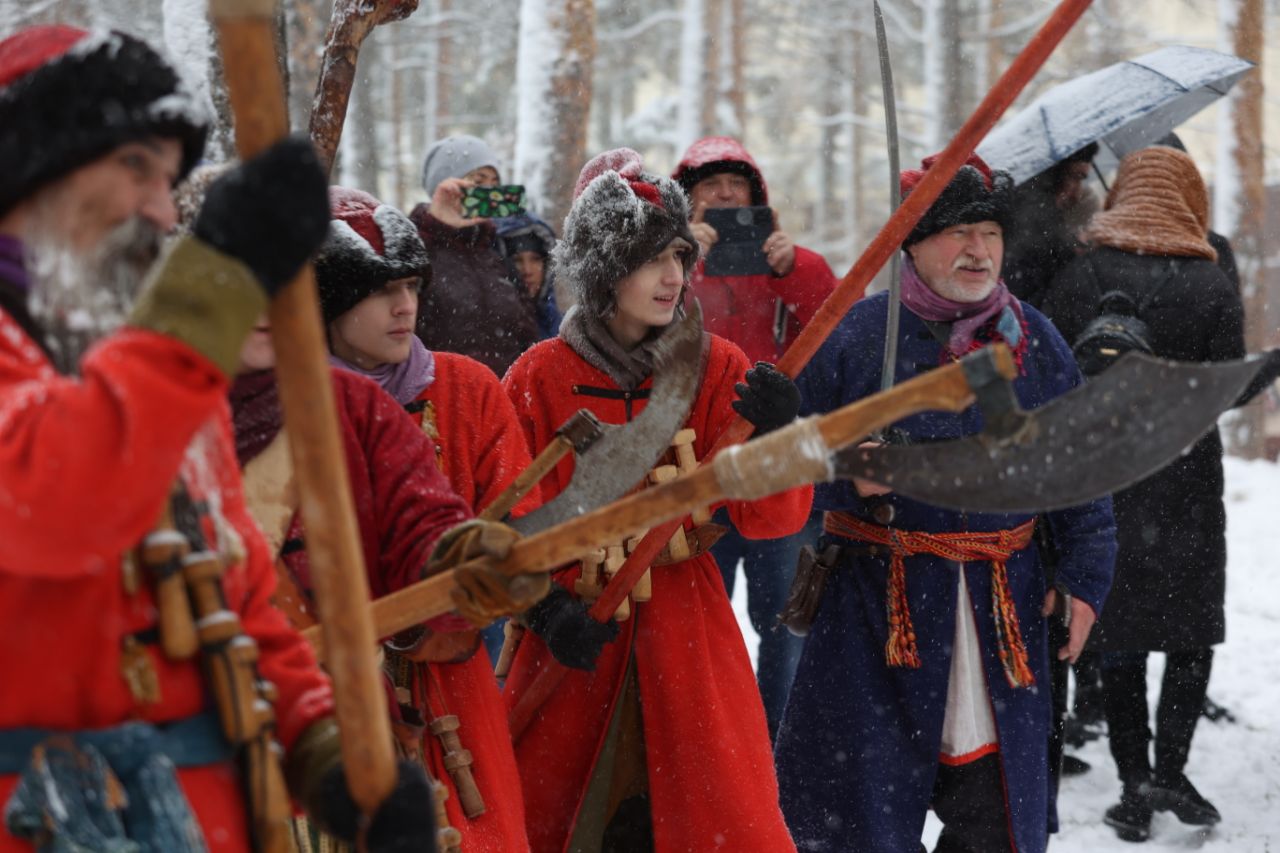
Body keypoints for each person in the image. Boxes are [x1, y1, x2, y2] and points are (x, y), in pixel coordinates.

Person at [0, 25, 439, 852]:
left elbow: (231, 597)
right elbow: (57, 502)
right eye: (138, 169)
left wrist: (325, 747)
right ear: (34, 170)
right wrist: (213, 288)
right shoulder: (164, 363)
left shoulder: (163, 374)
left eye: (170, 182)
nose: (163, 211)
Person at [774, 153, 1117, 853]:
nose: (978, 249)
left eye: (989, 233)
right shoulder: (857, 334)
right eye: (957, 233)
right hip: (875, 607)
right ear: (911, 245)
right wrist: (844, 472)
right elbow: (780, 473)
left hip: (1002, 614)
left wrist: (1085, 579)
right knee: (860, 818)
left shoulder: (1033, 339)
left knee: (994, 820)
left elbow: (1080, 468)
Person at [501, 148, 812, 852]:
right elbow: (497, 522)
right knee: (551, 819)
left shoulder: (719, 367)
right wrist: (543, 608)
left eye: (679, 254)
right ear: (605, 268)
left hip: (687, 628)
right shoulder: (537, 377)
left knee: (709, 818)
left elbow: (772, 519)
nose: (674, 276)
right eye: (650, 258)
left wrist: (778, 437)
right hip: (574, 633)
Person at [298, 186, 536, 850]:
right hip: (327, 697)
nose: (406, 306)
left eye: (410, 284)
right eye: (380, 291)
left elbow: (523, 524)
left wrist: (487, 573)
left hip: (456, 680)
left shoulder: (467, 389)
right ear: (327, 302)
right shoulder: (278, 413)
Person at [1040, 145, 1243, 842]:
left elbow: (1055, 366)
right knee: (1189, 628)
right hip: (1186, 472)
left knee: (1118, 625)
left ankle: (1131, 781)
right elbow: (1223, 382)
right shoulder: (1211, 276)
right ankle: (1172, 767)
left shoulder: (1081, 267)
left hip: (1109, 470)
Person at [672, 135, 837, 739]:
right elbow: (650, 334)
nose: (723, 194)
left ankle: (776, 747)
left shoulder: (786, 265)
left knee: (784, 628)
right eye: (709, 186)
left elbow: (831, 330)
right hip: (696, 470)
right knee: (691, 624)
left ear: (756, 197)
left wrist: (798, 268)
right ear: (685, 199)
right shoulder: (670, 263)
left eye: (735, 186)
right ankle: (700, 740)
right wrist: (683, 262)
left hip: (776, 468)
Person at [410, 134, 539, 376]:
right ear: (448, 186)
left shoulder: (496, 252)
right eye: (478, 182)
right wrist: (436, 223)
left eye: (494, 182)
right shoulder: (417, 245)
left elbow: (526, 330)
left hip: (502, 399)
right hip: (441, 399)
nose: (489, 191)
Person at [496, 210, 562, 340]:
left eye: (535, 259)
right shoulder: (492, 325)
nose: (527, 270)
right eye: (517, 260)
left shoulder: (563, 329)